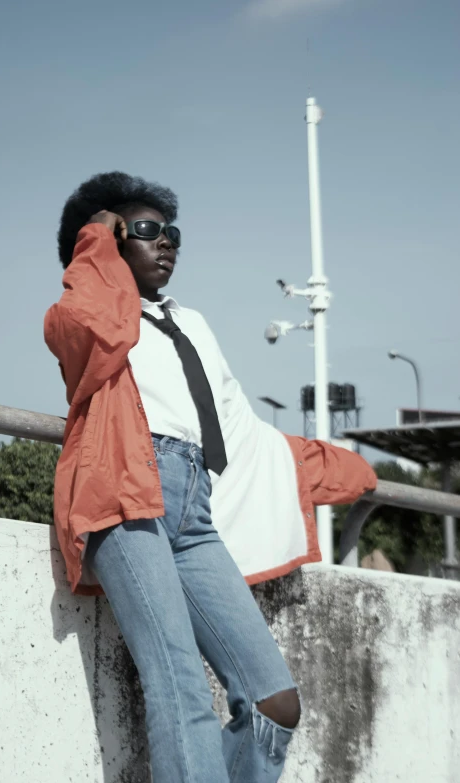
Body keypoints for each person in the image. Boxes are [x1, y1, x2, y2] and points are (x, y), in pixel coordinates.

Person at [44, 172, 377, 782]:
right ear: (108, 239)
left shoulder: (191, 323)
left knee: (275, 702)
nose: (166, 242)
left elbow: (245, 433)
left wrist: (349, 470)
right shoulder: (82, 312)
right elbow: (97, 330)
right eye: (144, 231)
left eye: (172, 232)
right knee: (181, 690)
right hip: (126, 498)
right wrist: (94, 242)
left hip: (196, 512)